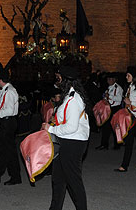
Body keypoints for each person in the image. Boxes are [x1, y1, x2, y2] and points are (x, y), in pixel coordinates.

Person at [43, 66, 90, 210]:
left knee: (73, 181)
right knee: (58, 179)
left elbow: (71, 127)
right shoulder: (68, 97)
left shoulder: (73, 99)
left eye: (58, 78)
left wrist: (50, 129)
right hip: (65, 140)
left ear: (65, 80)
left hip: (73, 143)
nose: (56, 81)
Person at [115, 66, 136, 173]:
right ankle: (124, 165)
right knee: (128, 142)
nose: (126, 77)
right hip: (130, 117)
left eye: (128, 75)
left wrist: (131, 103)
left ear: (134, 77)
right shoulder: (129, 87)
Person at [96, 72, 123, 150]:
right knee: (105, 127)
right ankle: (104, 144)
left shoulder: (118, 88)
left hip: (115, 109)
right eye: (108, 79)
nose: (109, 80)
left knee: (115, 127)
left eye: (111, 79)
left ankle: (117, 145)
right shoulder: (108, 87)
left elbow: (119, 99)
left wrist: (109, 96)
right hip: (108, 108)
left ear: (115, 80)